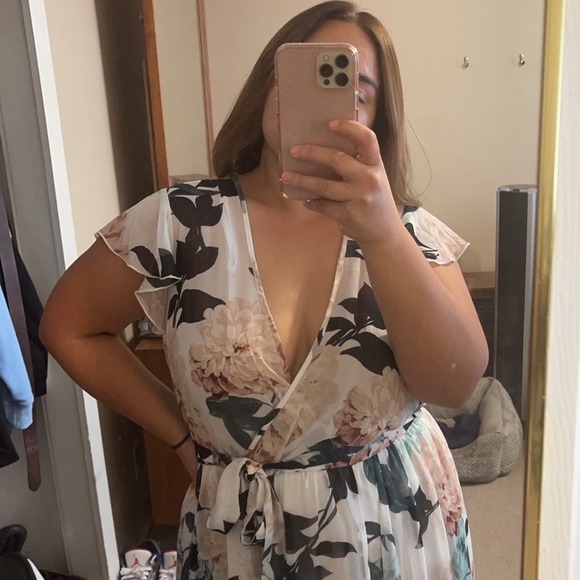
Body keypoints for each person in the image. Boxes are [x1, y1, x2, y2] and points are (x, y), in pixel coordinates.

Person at [40, 1, 488, 578]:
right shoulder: (180, 220)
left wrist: (382, 233)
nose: (327, 101)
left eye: (354, 90)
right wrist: (178, 435)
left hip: (391, 527)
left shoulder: (408, 232)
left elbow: (454, 384)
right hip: (237, 540)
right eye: (301, 74)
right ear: (267, 87)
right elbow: (68, 326)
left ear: (378, 122)